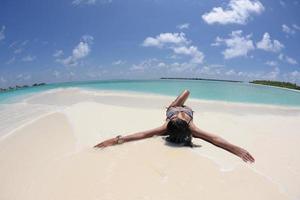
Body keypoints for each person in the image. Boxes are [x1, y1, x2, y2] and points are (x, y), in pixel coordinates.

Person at [94, 90, 255, 163]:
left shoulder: (187, 128)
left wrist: (237, 149)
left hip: (176, 108)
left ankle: (172, 106)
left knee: (186, 91)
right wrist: (116, 140)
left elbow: (143, 134)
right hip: (176, 108)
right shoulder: (172, 126)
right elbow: (213, 138)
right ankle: (173, 106)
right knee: (186, 92)